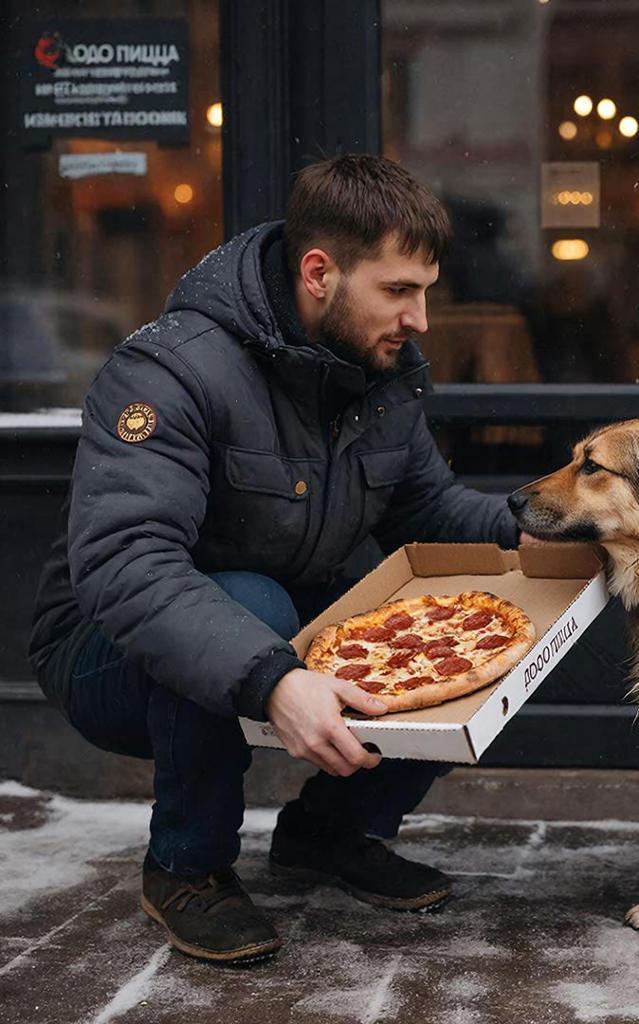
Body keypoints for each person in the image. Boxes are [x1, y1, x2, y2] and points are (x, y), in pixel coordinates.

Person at [28, 154, 524, 964]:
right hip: (103, 649)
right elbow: (128, 562)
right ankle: (187, 868)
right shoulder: (170, 370)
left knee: (458, 627)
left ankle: (331, 831)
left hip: (280, 613)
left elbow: (428, 508)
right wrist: (274, 678)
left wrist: (530, 531)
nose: (422, 320)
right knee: (251, 604)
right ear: (319, 273)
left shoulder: (381, 369)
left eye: (426, 291)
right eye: (399, 292)